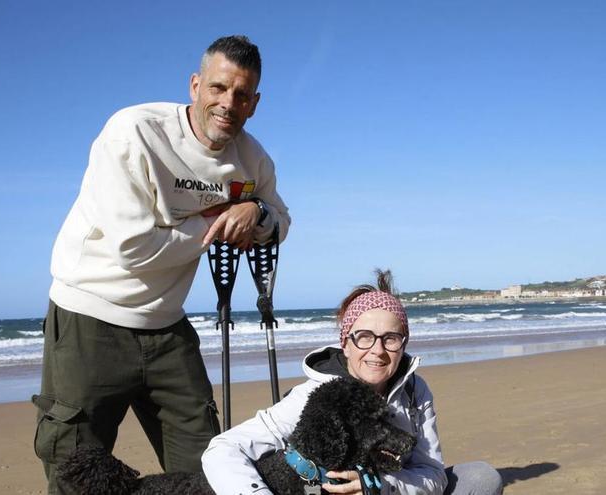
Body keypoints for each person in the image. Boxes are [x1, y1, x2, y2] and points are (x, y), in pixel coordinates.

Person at [33, 35, 290, 494]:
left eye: (241, 94)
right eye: (217, 88)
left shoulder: (252, 160)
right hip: (90, 318)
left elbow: (280, 221)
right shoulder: (133, 132)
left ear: (255, 102)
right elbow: (133, 247)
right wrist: (217, 218)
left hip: (168, 327)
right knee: (76, 470)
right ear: (195, 85)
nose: (227, 103)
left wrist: (258, 212)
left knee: (211, 467)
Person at [202, 270, 504, 494]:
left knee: (481, 478)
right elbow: (223, 448)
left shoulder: (415, 391)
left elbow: (432, 474)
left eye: (391, 338)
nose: (377, 350)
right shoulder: (316, 396)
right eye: (364, 337)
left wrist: (382, 486)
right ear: (345, 344)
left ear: (404, 343)